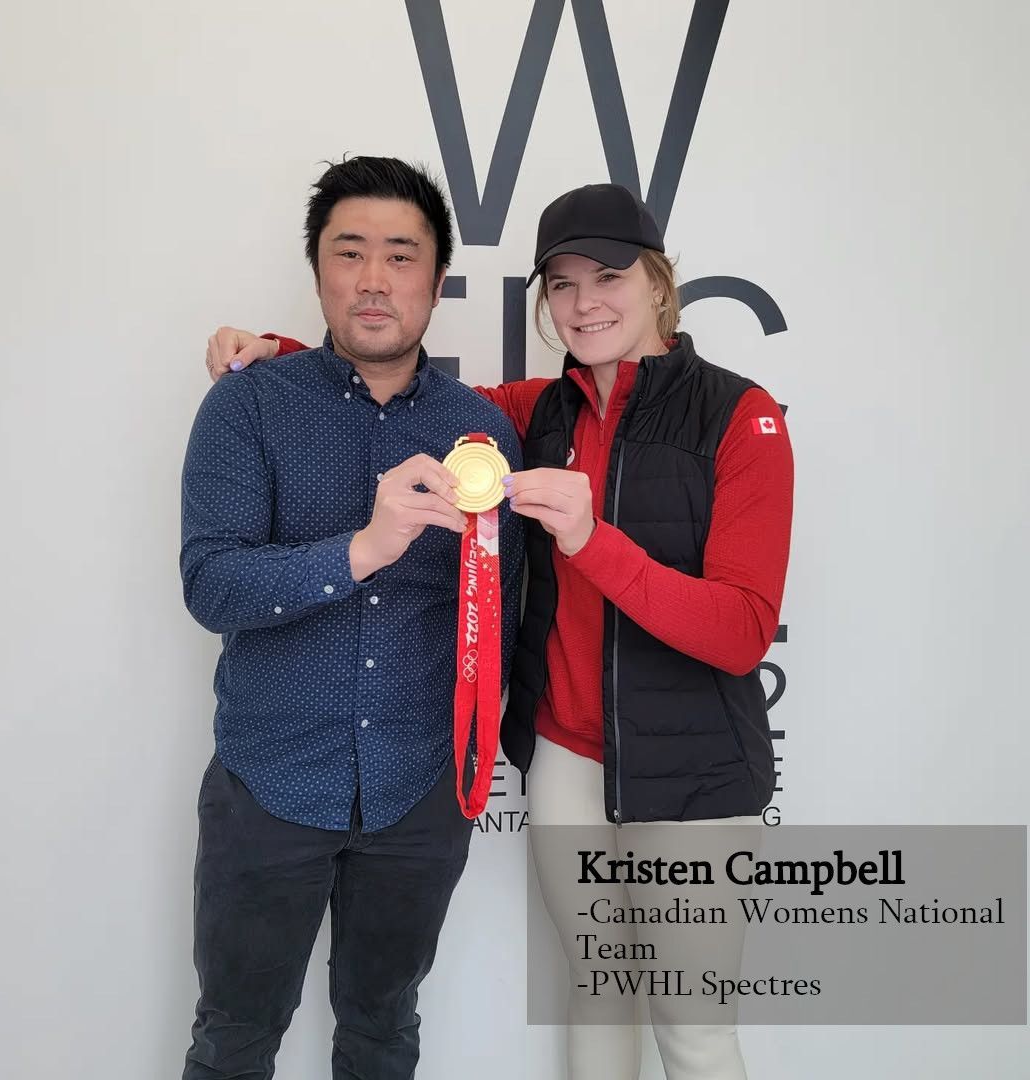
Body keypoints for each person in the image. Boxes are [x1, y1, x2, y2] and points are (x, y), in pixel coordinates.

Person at [206, 183, 793, 1080]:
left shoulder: (741, 415)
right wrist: (281, 355)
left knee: (695, 1025)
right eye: (562, 284)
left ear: (659, 282)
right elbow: (395, 389)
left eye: (609, 276)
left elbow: (744, 632)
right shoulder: (535, 413)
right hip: (565, 759)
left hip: (695, 771)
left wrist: (594, 543)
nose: (584, 303)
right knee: (597, 993)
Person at [180, 155, 523, 1080]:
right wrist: (362, 550)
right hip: (268, 783)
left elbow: (501, 611)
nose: (375, 279)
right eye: (350, 252)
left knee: (383, 1032)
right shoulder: (247, 405)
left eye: (401, 256)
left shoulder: (482, 433)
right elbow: (212, 585)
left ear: (437, 282)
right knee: (233, 1038)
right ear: (318, 271)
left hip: (419, 790)